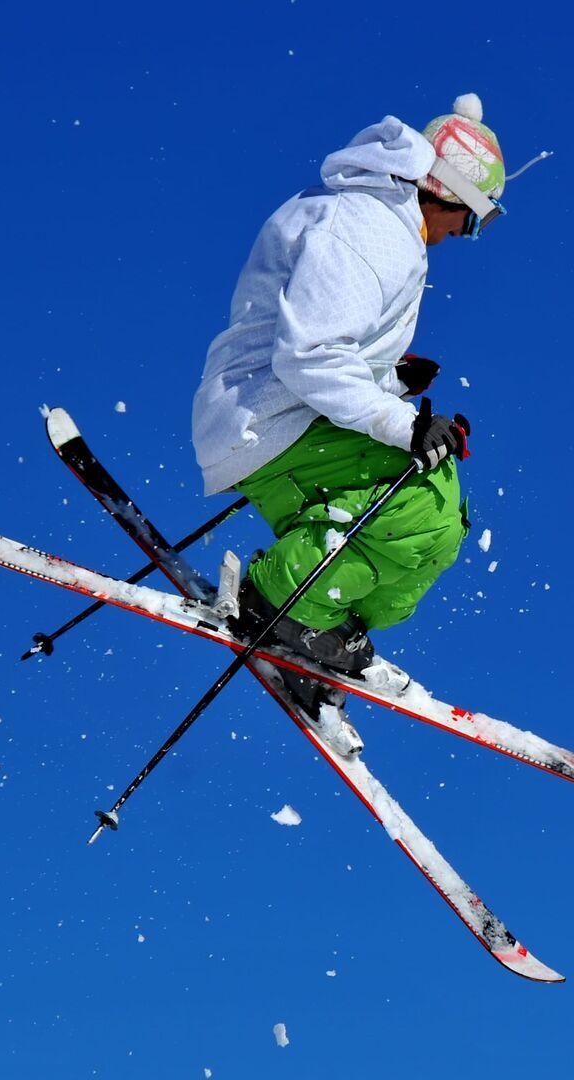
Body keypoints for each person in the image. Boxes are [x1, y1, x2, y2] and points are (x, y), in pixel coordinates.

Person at [191, 94, 512, 687]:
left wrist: (392, 380)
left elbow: (319, 348)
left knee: (441, 522)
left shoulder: (381, 227)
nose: (464, 233)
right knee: (421, 503)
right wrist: (406, 424)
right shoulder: (365, 229)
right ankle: (281, 602)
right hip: (264, 421)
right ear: (443, 193)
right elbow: (308, 356)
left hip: (281, 419)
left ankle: (317, 626)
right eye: (473, 218)